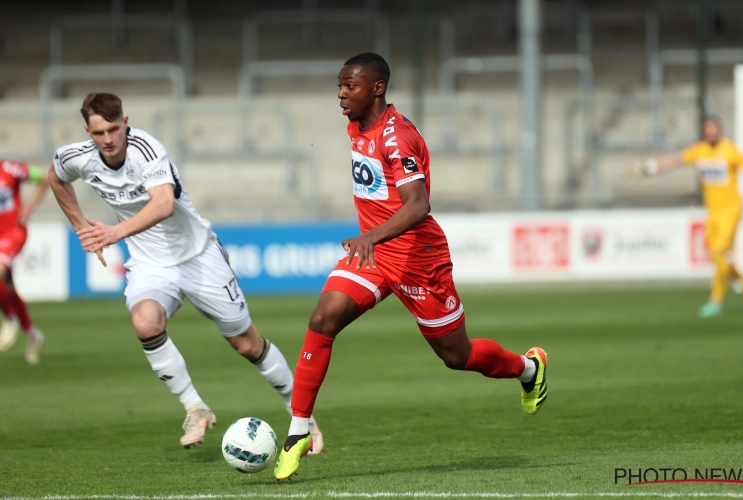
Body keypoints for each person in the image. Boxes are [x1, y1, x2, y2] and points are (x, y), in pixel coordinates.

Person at [273, 53, 547, 480]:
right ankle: (297, 431)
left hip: (418, 260)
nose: (341, 94)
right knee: (323, 318)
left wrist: (370, 236)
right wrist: (371, 242)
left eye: (350, 86)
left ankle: (529, 369)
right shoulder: (357, 126)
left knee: (457, 355)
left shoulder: (396, 137)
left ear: (377, 88)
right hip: (375, 256)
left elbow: (418, 205)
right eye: (340, 86)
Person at [48, 92, 323, 450]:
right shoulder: (76, 157)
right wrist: (81, 227)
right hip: (150, 263)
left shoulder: (147, 150)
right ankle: (195, 407)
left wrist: (114, 232)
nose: (109, 140)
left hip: (198, 256)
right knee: (145, 322)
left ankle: (301, 416)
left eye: (114, 129)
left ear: (125, 122)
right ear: (88, 131)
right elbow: (56, 178)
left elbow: (163, 203)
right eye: (99, 133)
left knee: (246, 344)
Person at [632, 116, 743, 318]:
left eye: (715, 129)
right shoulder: (700, 150)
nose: (711, 133)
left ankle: (716, 302)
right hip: (712, 212)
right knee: (716, 255)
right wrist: (651, 167)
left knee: (718, 250)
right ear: (704, 131)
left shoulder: (730, 150)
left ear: (720, 130)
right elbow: (676, 160)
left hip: (731, 210)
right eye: (708, 129)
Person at [0, 159, 49, 364]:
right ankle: (33, 334)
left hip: (13, 232)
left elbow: (44, 179)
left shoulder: (10, 168)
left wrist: (28, 208)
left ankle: (10, 318)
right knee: (8, 288)